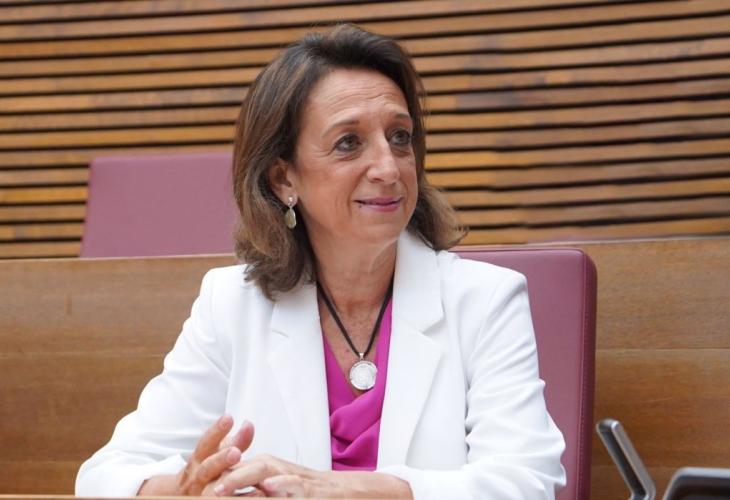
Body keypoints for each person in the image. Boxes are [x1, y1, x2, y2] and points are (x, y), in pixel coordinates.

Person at [76, 24, 566, 499]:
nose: (389, 167)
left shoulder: (486, 299)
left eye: (400, 137)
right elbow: (106, 474)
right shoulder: (230, 304)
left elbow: (526, 483)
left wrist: (340, 491)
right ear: (283, 179)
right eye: (348, 143)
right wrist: (187, 490)